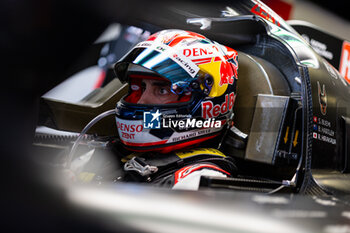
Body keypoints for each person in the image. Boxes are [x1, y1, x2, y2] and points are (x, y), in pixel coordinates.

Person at [113, 29, 239, 190]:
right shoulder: (117, 152)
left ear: (205, 104)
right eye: (142, 87)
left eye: (162, 90)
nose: (142, 100)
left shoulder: (196, 181)